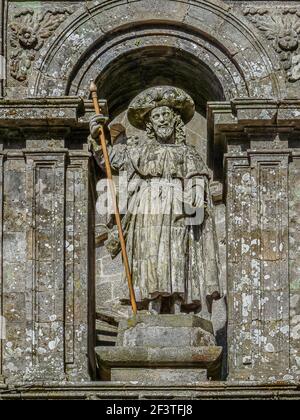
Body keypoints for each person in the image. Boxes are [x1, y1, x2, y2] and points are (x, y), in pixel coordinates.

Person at [89, 86, 221, 318]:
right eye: (156, 116)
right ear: (150, 123)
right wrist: (98, 135)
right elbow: (108, 160)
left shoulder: (188, 153)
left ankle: (180, 307)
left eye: (165, 115)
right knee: (149, 255)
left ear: (175, 119)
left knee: (177, 254)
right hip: (146, 209)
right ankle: (151, 306)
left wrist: (196, 191)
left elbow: (198, 178)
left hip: (178, 209)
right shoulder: (138, 150)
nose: (161, 120)